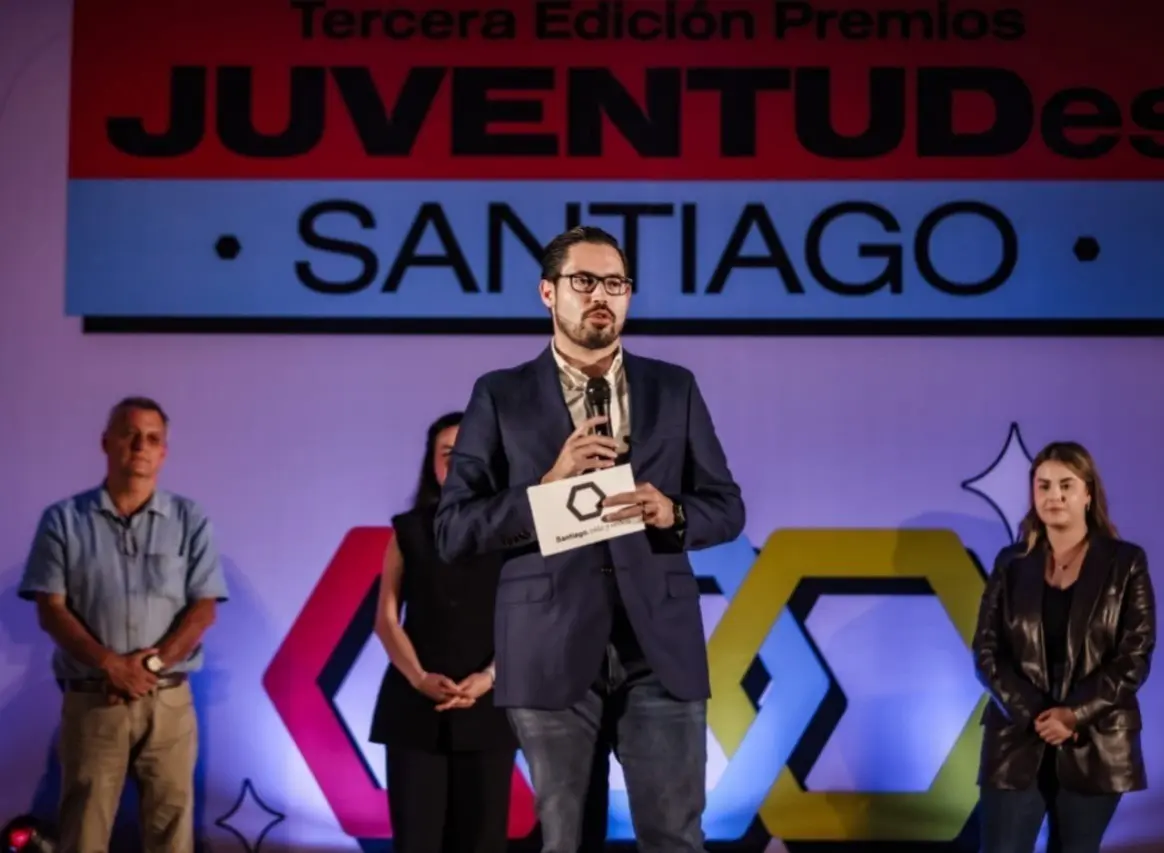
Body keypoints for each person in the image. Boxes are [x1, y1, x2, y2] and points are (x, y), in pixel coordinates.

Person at [434, 225, 745, 853]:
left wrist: (671, 513)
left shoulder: (673, 387)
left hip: (657, 642)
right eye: (584, 281)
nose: (602, 295)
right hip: (548, 641)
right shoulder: (501, 394)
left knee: (675, 837)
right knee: (565, 841)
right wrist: (546, 488)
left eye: (616, 283)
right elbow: (453, 530)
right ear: (548, 293)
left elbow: (727, 508)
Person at [19, 396, 229, 853]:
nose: (140, 445)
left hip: (169, 701)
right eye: (130, 434)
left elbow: (203, 610)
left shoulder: (190, 520)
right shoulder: (62, 520)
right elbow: (51, 609)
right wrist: (110, 664)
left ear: (164, 453)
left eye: (152, 438)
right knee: (84, 832)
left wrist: (148, 666)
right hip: (95, 700)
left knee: (172, 834)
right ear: (106, 442)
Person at [972, 441, 1156, 853]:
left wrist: (1073, 715)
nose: (1053, 496)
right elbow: (986, 652)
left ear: (1088, 493)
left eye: (1065, 485)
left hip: (1097, 742)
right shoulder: (1010, 562)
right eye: (1043, 485)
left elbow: (1134, 655)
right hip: (1016, 739)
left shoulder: (1126, 563)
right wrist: (1037, 715)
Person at [369, 411, 517, 853]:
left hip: (489, 708)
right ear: (432, 464)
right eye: (447, 454)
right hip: (415, 709)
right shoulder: (408, 530)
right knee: (417, 841)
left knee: (482, 841)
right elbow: (387, 619)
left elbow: (530, 622)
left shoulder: (516, 533)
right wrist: (418, 678)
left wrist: (489, 677)